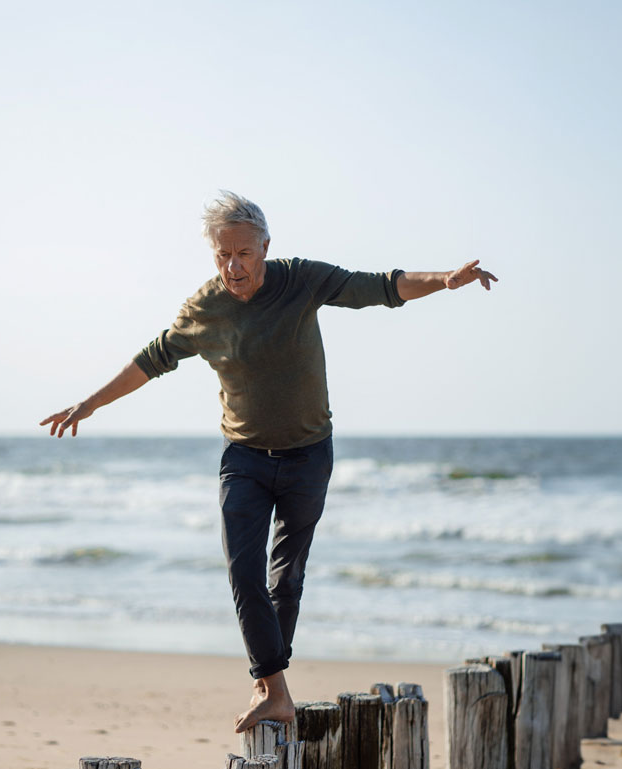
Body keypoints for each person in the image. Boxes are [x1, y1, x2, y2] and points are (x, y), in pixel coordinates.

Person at [42, 191, 496, 732]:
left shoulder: (300, 279)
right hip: (244, 459)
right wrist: (90, 403)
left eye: (244, 253)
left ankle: (267, 686)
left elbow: (378, 286)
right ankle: (275, 690)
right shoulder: (204, 308)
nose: (234, 266)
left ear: (265, 247)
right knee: (243, 568)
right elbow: (152, 359)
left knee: (288, 575)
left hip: (309, 455)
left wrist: (444, 279)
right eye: (222, 255)